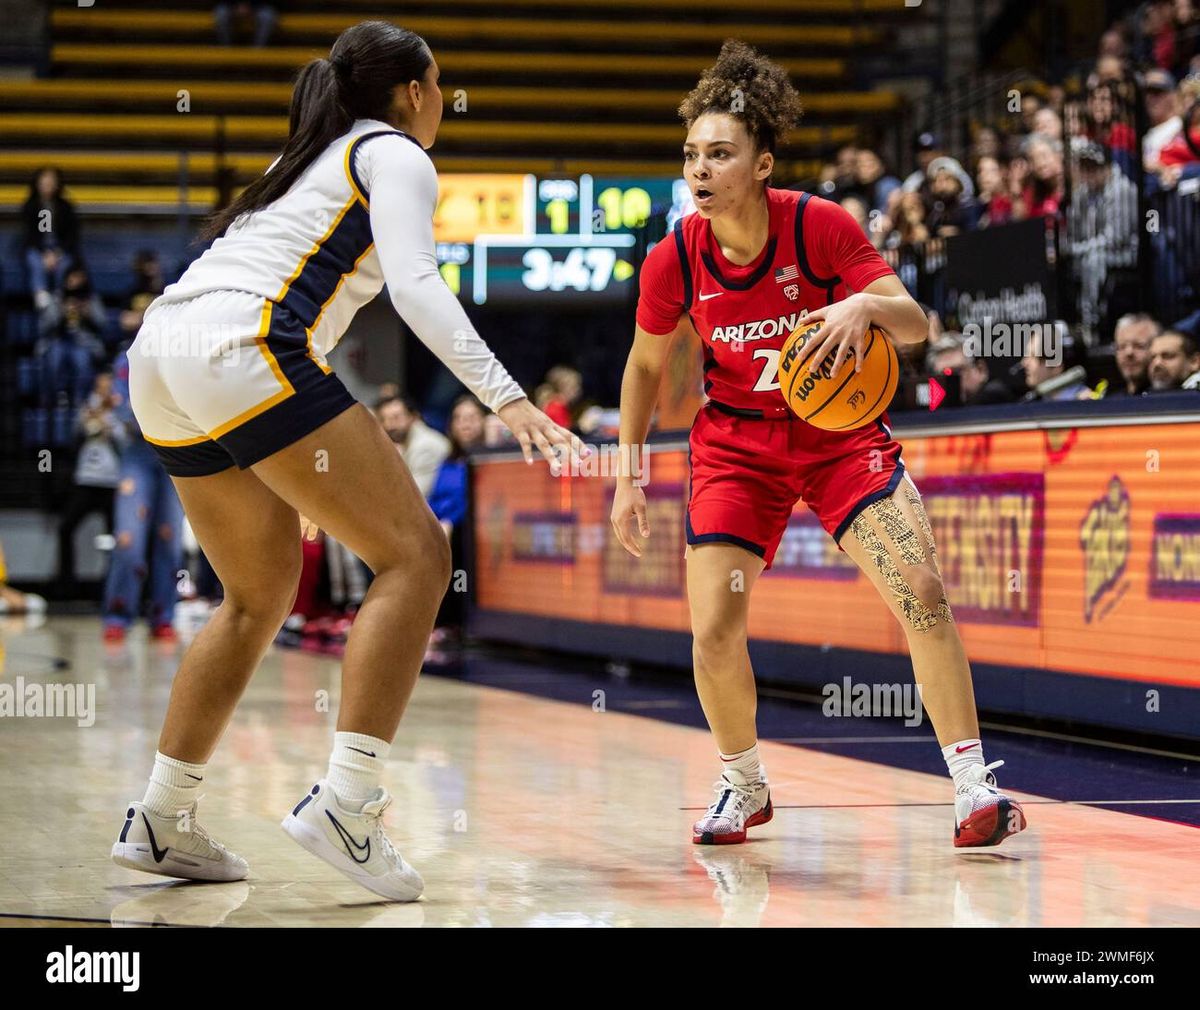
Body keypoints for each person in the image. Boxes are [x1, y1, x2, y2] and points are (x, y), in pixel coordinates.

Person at [111, 21, 581, 902]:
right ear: (414, 91)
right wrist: (507, 396)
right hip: (243, 346)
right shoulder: (393, 153)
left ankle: (162, 816)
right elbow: (415, 286)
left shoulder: (304, 163)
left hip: (161, 353)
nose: (441, 99)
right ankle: (348, 803)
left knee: (255, 597)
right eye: (439, 83)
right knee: (419, 556)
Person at [612, 41, 1026, 850]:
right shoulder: (675, 257)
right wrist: (627, 475)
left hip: (839, 439)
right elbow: (643, 366)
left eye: (720, 154)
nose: (700, 169)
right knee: (714, 629)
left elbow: (917, 323)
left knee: (922, 590)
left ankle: (974, 786)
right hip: (737, 445)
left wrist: (863, 310)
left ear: (762, 163)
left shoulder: (820, 226)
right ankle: (744, 783)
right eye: (692, 154)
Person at [101, 351, 185, 643]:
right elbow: (122, 408)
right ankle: (118, 613)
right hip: (138, 454)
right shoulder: (129, 358)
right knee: (128, 539)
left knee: (170, 541)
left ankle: (164, 615)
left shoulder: (187, 356)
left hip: (176, 453)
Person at [426, 394, 486, 653]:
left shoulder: (488, 460)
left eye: (472, 418)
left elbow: (475, 500)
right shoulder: (448, 462)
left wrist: (450, 521)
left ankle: (455, 621)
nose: (465, 424)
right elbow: (434, 499)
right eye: (460, 419)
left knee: (456, 545)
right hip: (443, 528)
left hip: (472, 531)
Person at [57, 371, 125, 595]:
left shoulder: (121, 411)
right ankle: (67, 583)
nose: (103, 391)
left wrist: (109, 425)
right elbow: (73, 436)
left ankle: (111, 586)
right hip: (86, 480)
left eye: (108, 387)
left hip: (112, 482)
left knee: (115, 538)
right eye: (100, 387)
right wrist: (88, 418)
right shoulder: (87, 407)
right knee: (66, 528)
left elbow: (127, 444)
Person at [20, 167, 79, 315]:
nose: (47, 186)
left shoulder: (65, 207)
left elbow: (71, 236)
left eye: (51, 182)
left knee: (65, 263)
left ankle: (60, 292)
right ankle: (40, 291)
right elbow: (30, 235)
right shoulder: (31, 206)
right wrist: (44, 253)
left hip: (60, 249)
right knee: (34, 260)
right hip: (38, 248)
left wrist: (57, 253)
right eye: (44, 183)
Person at [375, 393, 451, 497]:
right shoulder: (405, 443)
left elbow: (416, 496)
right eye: (384, 419)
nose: (389, 425)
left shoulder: (425, 446)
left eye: (396, 418)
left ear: (413, 417)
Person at [1110, 312, 1159, 395]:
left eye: (1139, 346)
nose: (1128, 353)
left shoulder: (1168, 398)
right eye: (1121, 346)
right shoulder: (1108, 401)